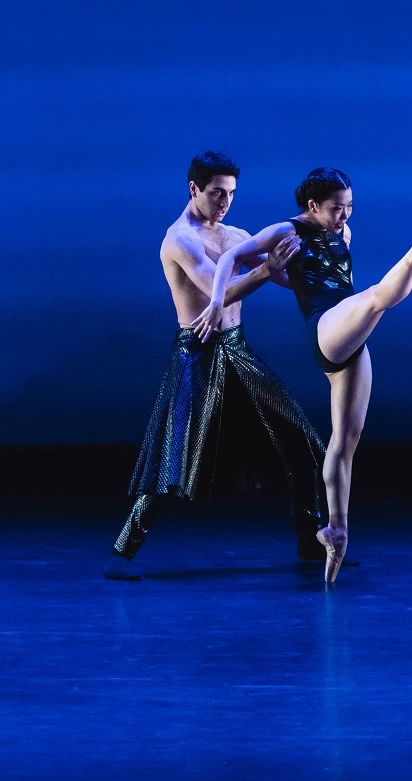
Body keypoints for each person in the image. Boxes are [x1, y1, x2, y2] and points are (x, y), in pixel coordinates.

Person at [194, 167, 412, 583]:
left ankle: (336, 531)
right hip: (326, 328)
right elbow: (231, 258)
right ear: (312, 205)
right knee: (375, 299)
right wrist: (218, 300)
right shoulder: (285, 230)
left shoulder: (342, 234)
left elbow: (322, 275)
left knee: (344, 443)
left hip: (351, 337)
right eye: (336, 208)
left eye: (349, 208)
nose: (344, 216)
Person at [105, 152, 328, 581]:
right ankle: (122, 551)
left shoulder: (233, 234)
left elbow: (289, 276)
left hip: (237, 349)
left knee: (301, 438)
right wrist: (267, 268)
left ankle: (309, 540)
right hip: (198, 352)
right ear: (194, 189)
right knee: (172, 452)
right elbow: (216, 293)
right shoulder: (180, 240)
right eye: (216, 193)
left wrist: (322, 258)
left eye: (231, 194)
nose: (225, 202)